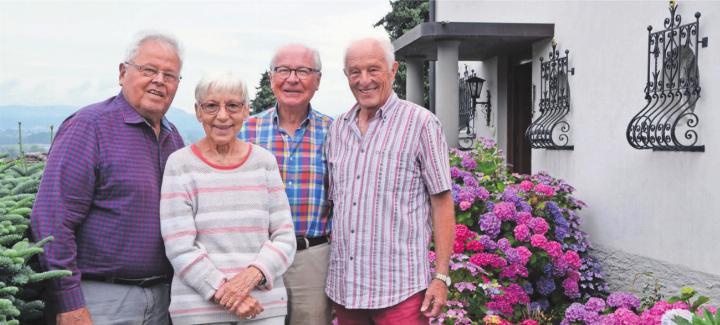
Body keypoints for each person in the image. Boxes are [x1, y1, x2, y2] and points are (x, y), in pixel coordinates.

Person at [30, 32, 185, 324]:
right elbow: (52, 219)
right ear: (123, 72)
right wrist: (69, 302)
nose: (159, 80)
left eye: (170, 75)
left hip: (163, 300)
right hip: (100, 298)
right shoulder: (90, 127)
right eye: (149, 70)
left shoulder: (173, 137)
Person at [324, 36, 456, 324]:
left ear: (393, 70)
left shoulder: (421, 123)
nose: (364, 80)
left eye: (373, 70)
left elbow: (442, 202)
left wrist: (441, 276)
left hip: (401, 290)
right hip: (347, 289)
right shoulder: (337, 130)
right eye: (355, 72)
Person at [160, 72, 296, 325]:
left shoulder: (264, 162)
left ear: (246, 111)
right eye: (211, 106)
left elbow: (285, 238)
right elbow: (179, 246)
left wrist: (249, 278)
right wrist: (227, 293)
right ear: (198, 112)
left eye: (233, 106)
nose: (222, 116)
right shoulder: (180, 164)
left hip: (263, 309)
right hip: (199, 311)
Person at [239, 44, 334, 325]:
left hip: (312, 260)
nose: (292, 79)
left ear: (317, 80)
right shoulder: (246, 130)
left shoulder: (336, 132)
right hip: (255, 257)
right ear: (271, 78)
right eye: (283, 70)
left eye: (303, 71)